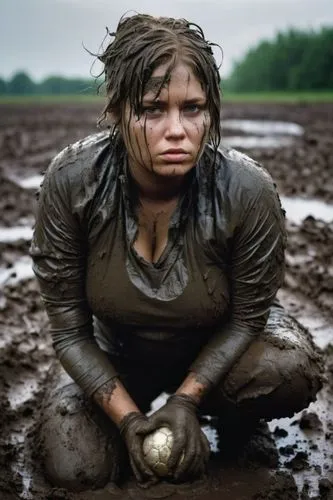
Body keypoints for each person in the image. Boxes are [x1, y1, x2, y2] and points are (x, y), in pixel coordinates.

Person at [30, 13, 323, 492]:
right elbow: (69, 331)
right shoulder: (71, 181)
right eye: (152, 108)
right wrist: (127, 422)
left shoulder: (247, 190)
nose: (177, 130)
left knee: (287, 369)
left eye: (193, 108)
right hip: (120, 358)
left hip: (222, 353)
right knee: (76, 467)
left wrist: (187, 399)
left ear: (211, 111)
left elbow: (248, 319)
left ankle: (236, 422)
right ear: (118, 108)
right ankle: (125, 409)